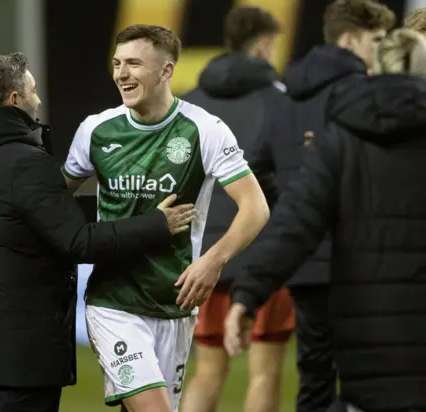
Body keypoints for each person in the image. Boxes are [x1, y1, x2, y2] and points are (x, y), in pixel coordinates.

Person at [0, 52, 196, 412]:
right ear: (14, 100)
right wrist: (155, 224)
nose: (39, 99)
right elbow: (77, 241)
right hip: (25, 345)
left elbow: (26, 218)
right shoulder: (25, 162)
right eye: (33, 91)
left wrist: (119, 204)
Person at [62, 24, 271, 412]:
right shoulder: (95, 130)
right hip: (113, 301)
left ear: (166, 70)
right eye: (117, 63)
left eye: (134, 64)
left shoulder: (204, 129)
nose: (122, 74)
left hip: (176, 300)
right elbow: (53, 204)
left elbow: (256, 208)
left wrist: (212, 260)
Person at [227, 27, 426, 412]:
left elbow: (294, 223)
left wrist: (248, 292)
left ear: (376, 69)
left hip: (366, 349)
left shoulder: (339, 141)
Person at [179, 6, 294, 412]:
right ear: (263, 45)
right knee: (264, 371)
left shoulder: (189, 102)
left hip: (206, 256)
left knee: (208, 372)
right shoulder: (282, 103)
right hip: (264, 254)